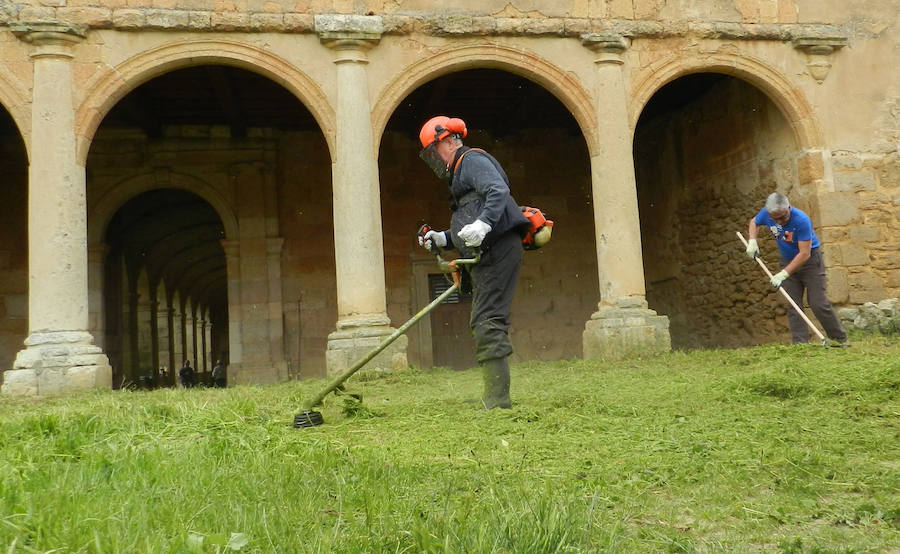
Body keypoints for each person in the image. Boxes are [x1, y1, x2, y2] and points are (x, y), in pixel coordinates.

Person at [416, 115, 531, 409]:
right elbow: (470, 223)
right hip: (487, 251)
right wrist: (444, 238)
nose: (434, 160)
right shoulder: (460, 174)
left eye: (434, 151)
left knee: (487, 321)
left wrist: (484, 224)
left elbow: (497, 191)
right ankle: (494, 396)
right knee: (482, 320)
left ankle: (497, 401)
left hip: (499, 249)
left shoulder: (471, 160)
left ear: (449, 141)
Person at [746, 192, 848, 346]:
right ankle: (800, 344)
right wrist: (752, 240)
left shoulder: (801, 219)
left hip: (810, 262)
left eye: (783, 217)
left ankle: (839, 339)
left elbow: (804, 253)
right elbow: (754, 222)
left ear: (788, 207)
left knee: (817, 302)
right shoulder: (767, 214)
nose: (780, 221)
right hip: (787, 260)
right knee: (793, 304)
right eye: (776, 219)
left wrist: (783, 274)